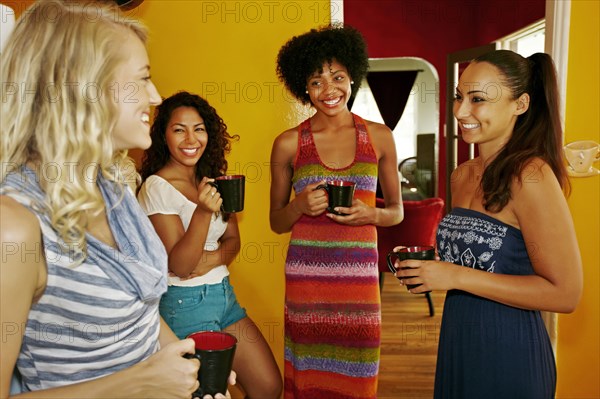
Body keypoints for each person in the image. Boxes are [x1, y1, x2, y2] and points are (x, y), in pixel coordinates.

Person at [0, 1, 232, 398]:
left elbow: (140, 307)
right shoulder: (15, 226)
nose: (154, 96)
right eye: (142, 79)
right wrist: (141, 381)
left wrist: (181, 361)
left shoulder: (116, 187)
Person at [392, 50, 583, 398]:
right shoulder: (461, 175)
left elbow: (566, 293)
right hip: (458, 341)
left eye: (478, 99)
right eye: (459, 96)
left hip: (509, 350)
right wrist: (428, 267)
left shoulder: (532, 176)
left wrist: (454, 276)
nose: (461, 111)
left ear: (520, 104)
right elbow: (484, 255)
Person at [270, 24, 403, 398]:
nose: (329, 90)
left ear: (353, 77)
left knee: (358, 376)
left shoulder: (379, 137)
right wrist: (299, 205)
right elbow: (276, 221)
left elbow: (396, 212)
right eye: (316, 81)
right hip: (306, 284)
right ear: (303, 88)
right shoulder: (288, 144)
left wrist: (371, 214)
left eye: (338, 77)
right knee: (309, 376)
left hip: (359, 285)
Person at [137, 91, 282, 399]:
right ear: (164, 135)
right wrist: (203, 212)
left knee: (268, 386)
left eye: (199, 128)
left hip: (223, 296)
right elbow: (180, 266)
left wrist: (207, 260)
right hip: (184, 305)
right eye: (179, 129)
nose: (191, 138)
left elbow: (233, 243)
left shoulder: (212, 180)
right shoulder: (156, 187)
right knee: (205, 395)